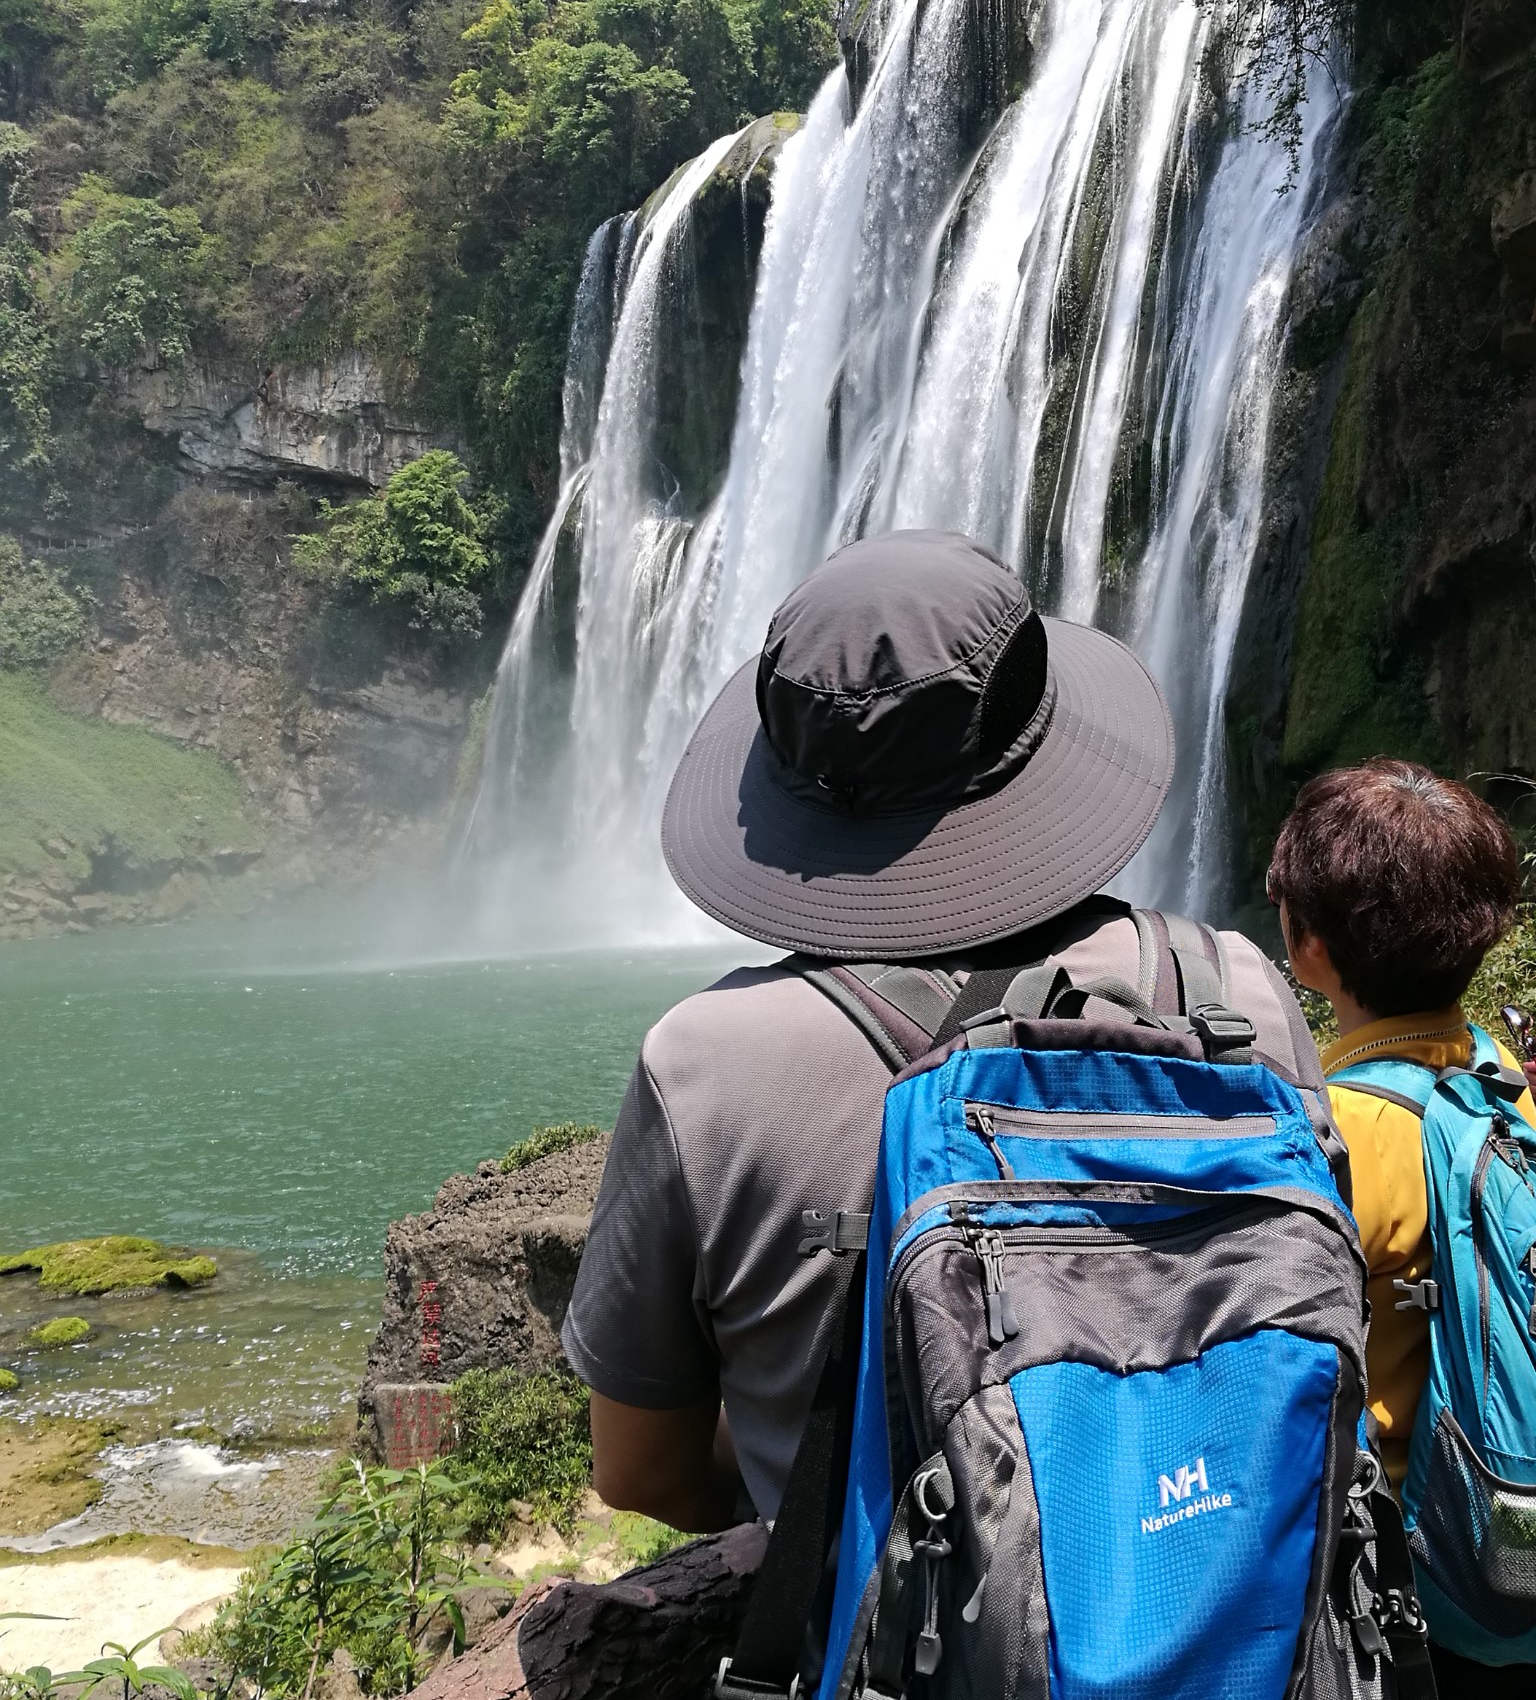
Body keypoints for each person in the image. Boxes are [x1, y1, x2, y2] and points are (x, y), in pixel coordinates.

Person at [560, 528, 1317, 1535]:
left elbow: (643, 1469)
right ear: (1044, 742)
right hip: (1230, 1628)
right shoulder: (1234, 993)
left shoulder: (705, 1068)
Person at [1268, 758, 1531, 1697]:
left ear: (1310, 952)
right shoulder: (1506, 1088)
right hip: (1508, 1529)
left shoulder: (1329, 1133)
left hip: (1402, 1578)